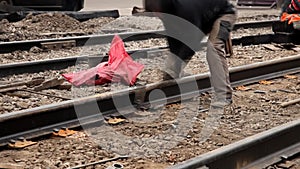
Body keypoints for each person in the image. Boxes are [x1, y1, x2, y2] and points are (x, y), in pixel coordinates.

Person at [142, 0, 237, 107]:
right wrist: (172, 67)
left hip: (223, 13)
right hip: (203, 18)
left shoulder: (185, 8)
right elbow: (173, 38)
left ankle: (224, 95)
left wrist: (178, 63)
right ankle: (170, 84)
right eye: (153, 12)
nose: (156, 15)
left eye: (157, 12)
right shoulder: (167, 12)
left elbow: (193, 41)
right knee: (174, 63)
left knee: (213, 48)